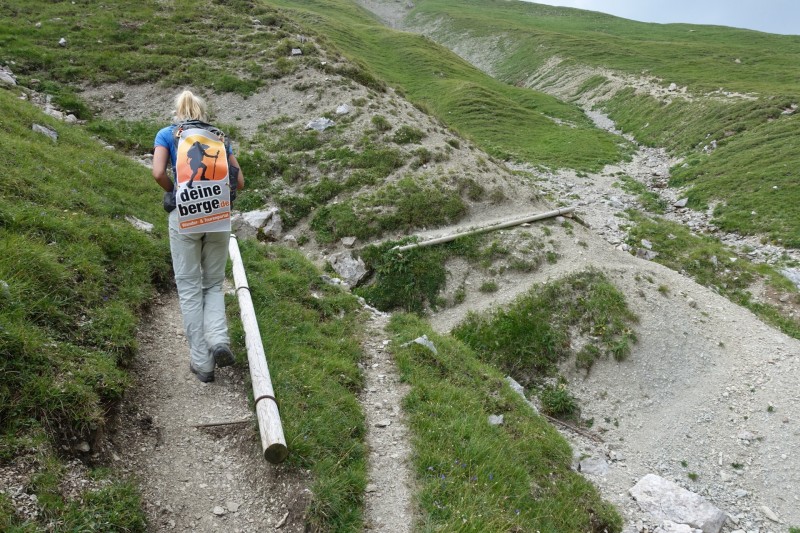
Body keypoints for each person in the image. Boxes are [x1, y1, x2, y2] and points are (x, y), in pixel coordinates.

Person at [152, 90, 245, 382]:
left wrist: (174, 192)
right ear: (203, 112)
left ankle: (202, 364)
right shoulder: (219, 137)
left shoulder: (167, 134)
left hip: (184, 217)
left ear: (177, 111)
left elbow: (157, 173)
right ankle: (219, 339)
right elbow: (239, 181)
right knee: (213, 284)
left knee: (190, 288)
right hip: (217, 215)